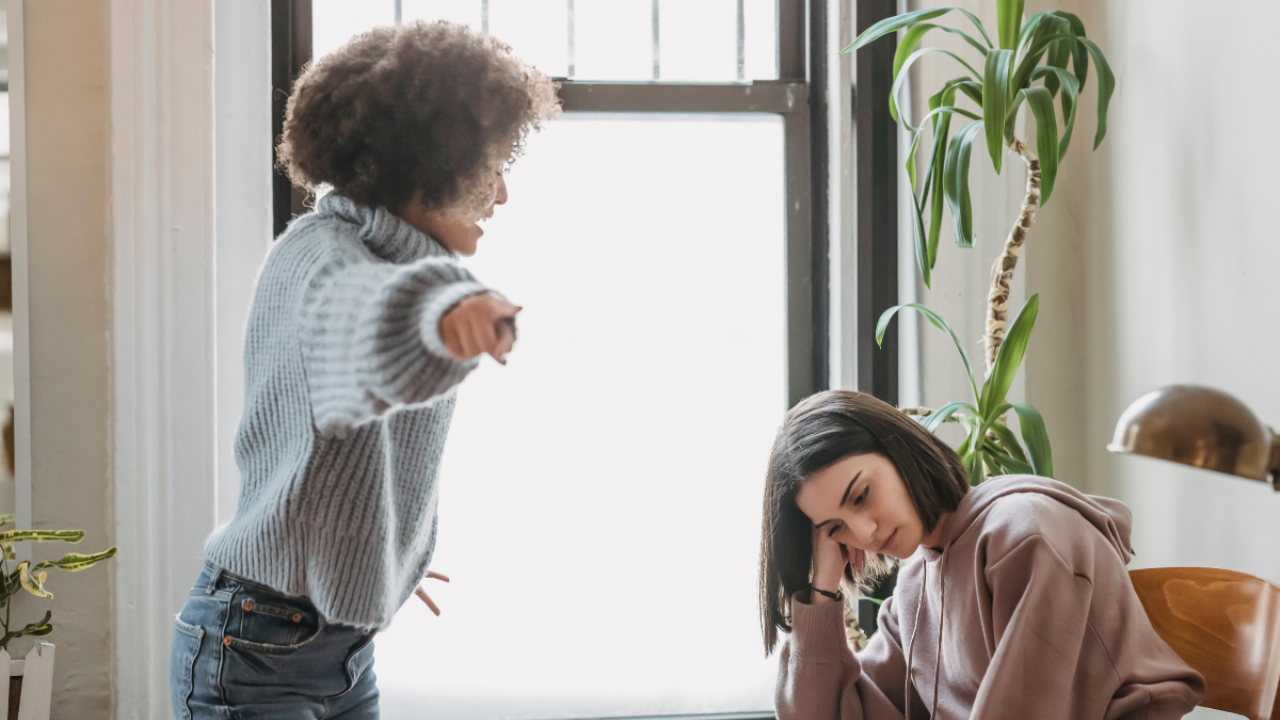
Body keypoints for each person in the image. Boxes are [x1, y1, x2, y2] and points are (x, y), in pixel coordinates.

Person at [168, 21, 560, 719]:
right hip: (259, 649)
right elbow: (361, 323)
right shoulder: (321, 256)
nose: (501, 196)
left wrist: (378, 552)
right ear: (430, 164)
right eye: (493, 166)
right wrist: (445, 318)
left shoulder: (394, 259)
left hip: (335, 650)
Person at [760, 390, 1205, 720]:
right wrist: (819, 595)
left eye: (860, 495)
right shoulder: (916, 588)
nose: (865, 532)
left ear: (897, 447)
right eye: (835, 528)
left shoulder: (1025, 539)